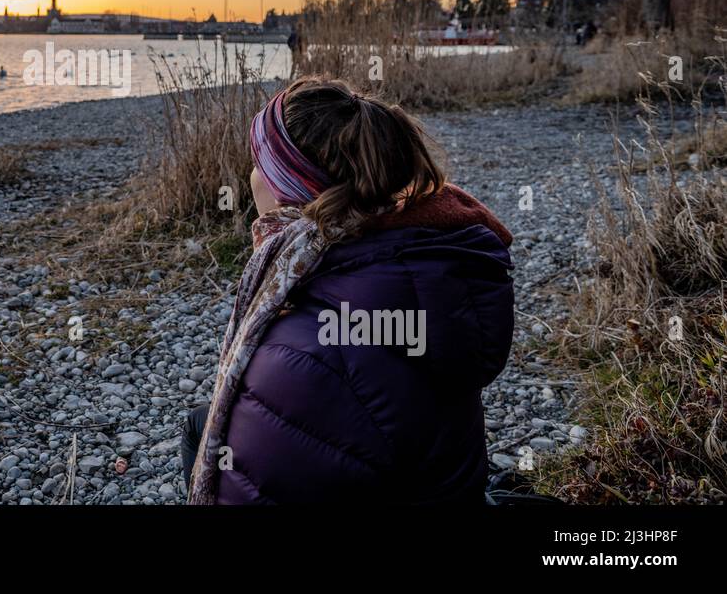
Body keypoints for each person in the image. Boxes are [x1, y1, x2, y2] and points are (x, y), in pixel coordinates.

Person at [182, 76, 513, 504]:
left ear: (286, 189)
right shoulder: (427, 261)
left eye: (258, 164)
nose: (251, 178)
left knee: (207, 432)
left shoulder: (302, 355)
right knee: (201, 423)